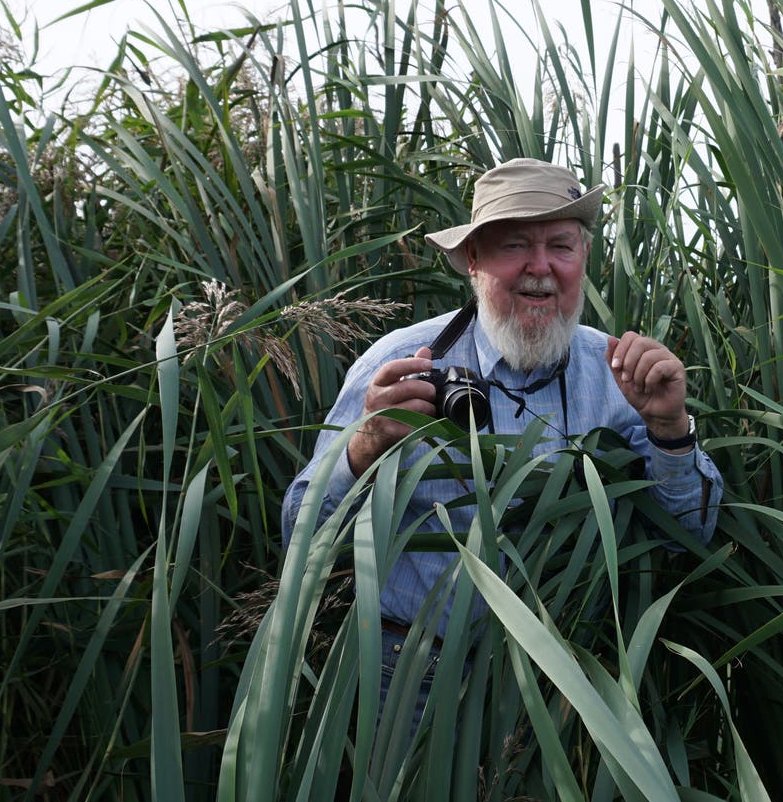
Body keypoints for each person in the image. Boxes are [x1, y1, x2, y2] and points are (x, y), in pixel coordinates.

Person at [280, 158, 723, 702]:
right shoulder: (399, 364)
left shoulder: (620, 374)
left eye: (560, 246)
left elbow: (689, 537)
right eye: (514, 246)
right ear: (472, 259)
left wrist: (669, 427)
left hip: (567, 687)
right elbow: (300, 536)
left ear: (583, 257)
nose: (540, 267)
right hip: (410, 679)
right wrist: (366, 446)